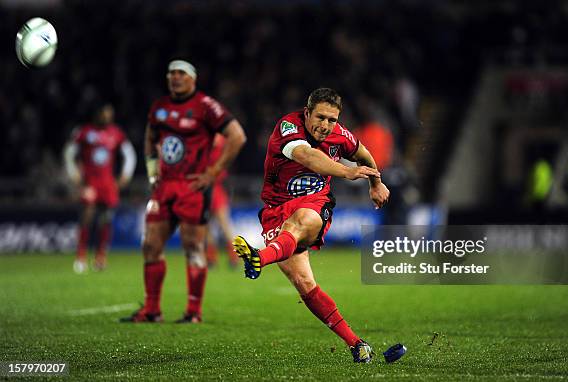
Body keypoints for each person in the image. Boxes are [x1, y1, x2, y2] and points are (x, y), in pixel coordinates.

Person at [232, 88, 389, 362]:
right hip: (275, 210)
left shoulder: (341, 134)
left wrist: (376, 183)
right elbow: (308, 157)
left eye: (332, 119)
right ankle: (357, 345)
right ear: (307, 113)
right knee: (304, 282)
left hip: (316, 203)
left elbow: (363, 153)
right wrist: (347, 171)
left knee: (303, 219)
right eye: (320, 117)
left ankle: (259, 257)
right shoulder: (288, 127)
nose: (326, 125)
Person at [121, 59, 246, 323]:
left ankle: (193, 312)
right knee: (151, 245)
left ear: (193, 78)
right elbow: (149, 139)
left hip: (192, 186)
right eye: (171, 73)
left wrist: (213, 172)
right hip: (165, 186)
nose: (175, 77)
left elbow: (237, 136)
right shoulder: (160, 108)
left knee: (193, 246)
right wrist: (153, 171)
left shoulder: (205, 106)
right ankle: (152, 310)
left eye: (181, 73)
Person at [64, 103, 136, 274]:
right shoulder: (83, 132)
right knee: (87, 216)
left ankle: (100, 258)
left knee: (106, 219)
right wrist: (73, 173)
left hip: (107, 184)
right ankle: (80, 257)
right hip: (90, 183)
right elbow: (69, 153)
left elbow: (129, 154)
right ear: (97, 114)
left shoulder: (116, 133)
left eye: (110, 114)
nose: (107, 117)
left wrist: (125, 174)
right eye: (105, 113)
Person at [205, 134, 240, 268]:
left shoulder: (214, 138)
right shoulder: (219, 138)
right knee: (213, 225)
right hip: (210, 187)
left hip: (213, 186)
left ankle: (231, 256)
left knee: (222, 224)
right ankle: (214, 258)